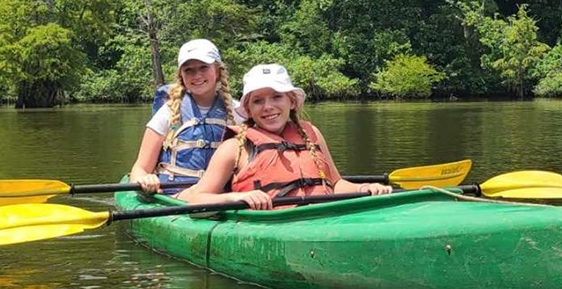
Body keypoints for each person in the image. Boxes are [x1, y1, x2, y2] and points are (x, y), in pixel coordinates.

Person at [175, 64, 392, 210]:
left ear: (292, 101)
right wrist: (235, 197)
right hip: (272, 225)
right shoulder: (235, 148)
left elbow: (336, 184)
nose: (268, 107)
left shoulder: (311, 134)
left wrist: (363, 188)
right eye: (258, 101)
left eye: (276, 97)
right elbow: (196, 199)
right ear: (248, 109)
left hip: (323, 218)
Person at [128, 39, 242, 194]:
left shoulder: (237, 111)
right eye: (189, 70)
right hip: (173, 196)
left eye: (203, 67)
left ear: (217, 70)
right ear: (181, 75)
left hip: (219, 197)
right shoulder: (168, 111)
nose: (197, 75)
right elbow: (140, 168)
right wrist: (144, 179)